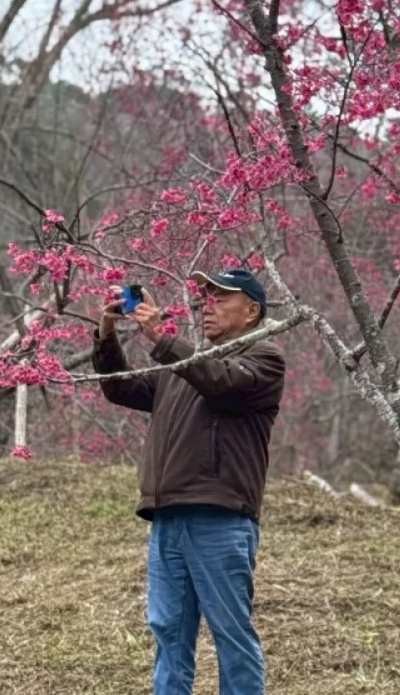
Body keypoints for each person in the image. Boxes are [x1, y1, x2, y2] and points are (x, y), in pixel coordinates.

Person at [92, 268, 286, 695]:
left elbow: (222, 382)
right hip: (168, 518)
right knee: (168, 633)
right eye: (205, 299)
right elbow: (119, 389)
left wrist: (160, 337)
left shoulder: (264, 358)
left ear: (252, 311)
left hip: (219, 519)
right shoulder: (183, 368)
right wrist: (106, 334)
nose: (207, 306)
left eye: (221, 298)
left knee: (230, 633)